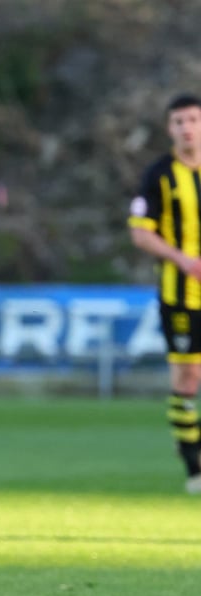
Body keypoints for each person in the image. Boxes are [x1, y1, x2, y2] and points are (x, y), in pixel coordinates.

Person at [129, 93, 201, 494]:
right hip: (181, 293)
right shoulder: (159, 175)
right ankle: (194, 467)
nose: (186, 128)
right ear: (169, 128)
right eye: (178, 122)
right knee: (188, 377)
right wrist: (184, 261)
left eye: (192, 120)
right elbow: (140, 233)